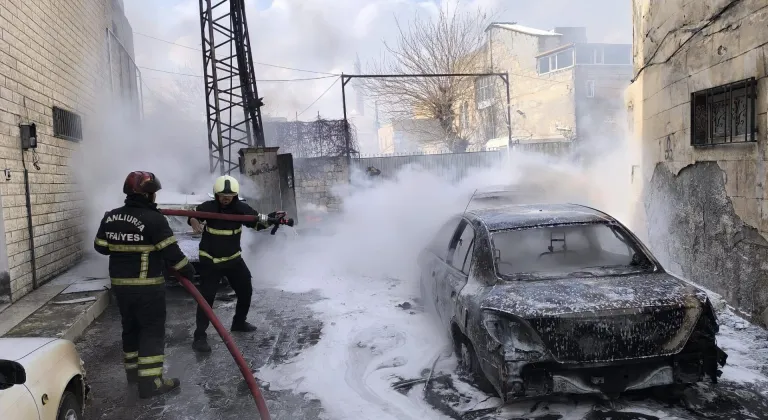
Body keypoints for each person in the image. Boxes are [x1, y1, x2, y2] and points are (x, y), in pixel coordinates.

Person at [94, 171, 196, 399]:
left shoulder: (111, 217)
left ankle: (133, 375)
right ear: (149, 195)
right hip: (148, 288)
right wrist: (189, 271)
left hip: (121, 288)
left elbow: (100, 246)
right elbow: (173, 255)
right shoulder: (154, 219)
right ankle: (151, 383)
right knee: (151, 332)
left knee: (130, 329)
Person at [188, 175, 283, 353]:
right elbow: (193, 215)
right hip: (210, 261)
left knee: (245, 289)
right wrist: (193, 220)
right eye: (223, 195)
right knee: (206, 299)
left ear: (235, 195)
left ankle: (239, 323)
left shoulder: (241, 208)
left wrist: (271, 219)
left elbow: (257, 223)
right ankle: (199, 337)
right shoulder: (208, 207)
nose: (226, 198)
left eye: (230, 195)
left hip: (233, 259)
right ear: (216, 194)